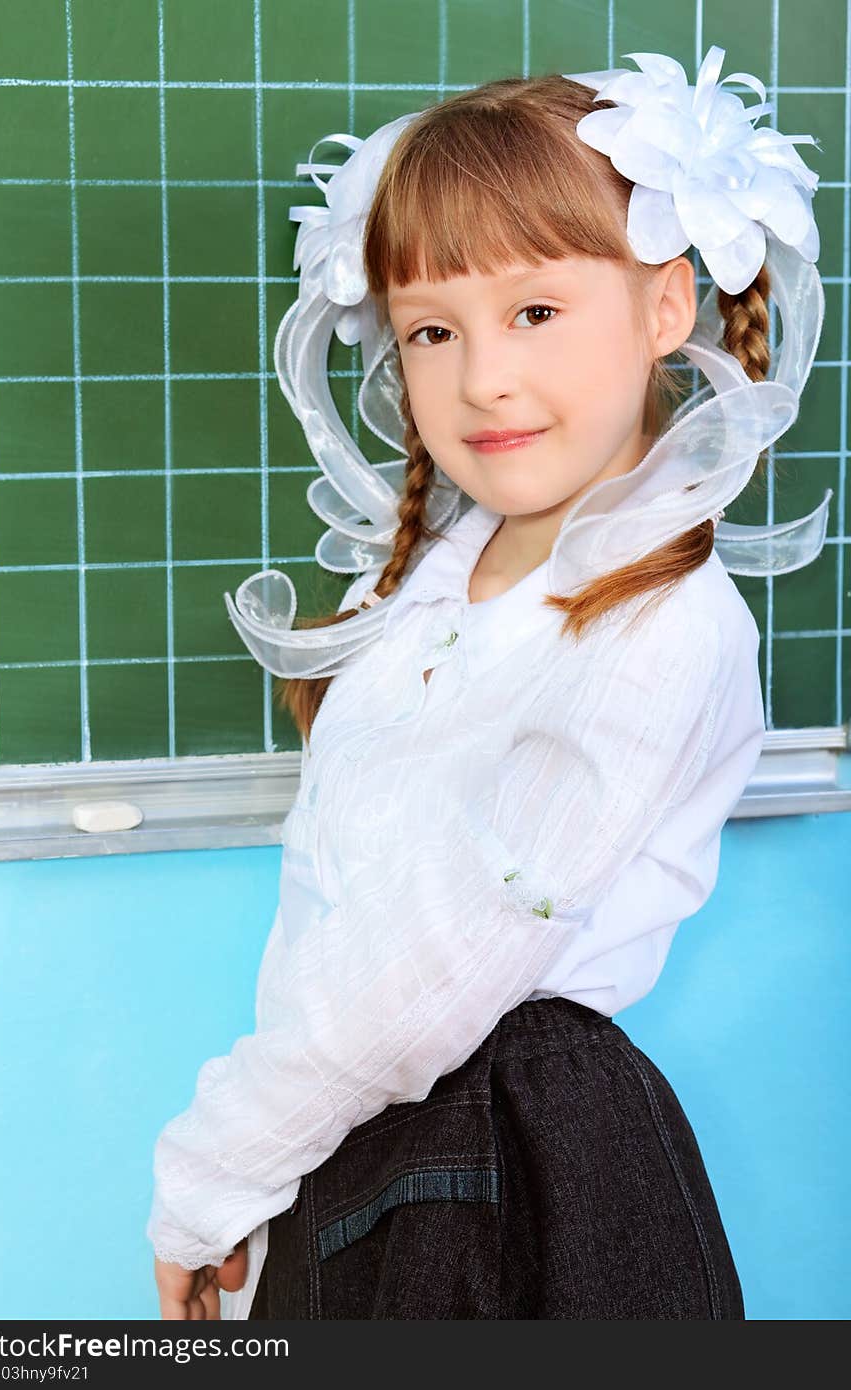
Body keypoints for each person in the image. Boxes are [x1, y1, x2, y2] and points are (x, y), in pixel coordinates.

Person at [146, 46, 829, 1320]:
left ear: (665, 307)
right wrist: (265, 1184)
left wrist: (211, 1172)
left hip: (514, 1162)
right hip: (378, 1138)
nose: (483, 378)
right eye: (431, 330)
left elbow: (439, 959)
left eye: (535, 311)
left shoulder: (663, 627)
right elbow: (350, 941)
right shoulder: (438, 588)